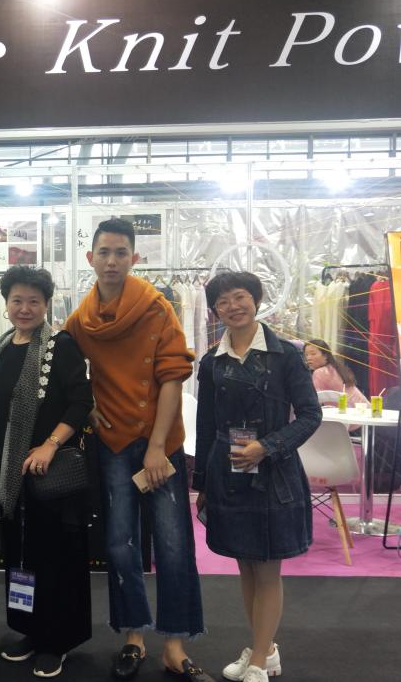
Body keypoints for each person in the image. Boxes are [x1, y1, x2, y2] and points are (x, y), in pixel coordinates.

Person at [64, 218, 213, 682]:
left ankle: (174, 644)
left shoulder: (156, 308)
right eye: (104, 252)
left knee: (172, 543)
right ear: (90, 258)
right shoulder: (82, 318)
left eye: (121, 253)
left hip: (159, 443)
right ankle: (133, 636)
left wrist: (157, 446)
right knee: (119, 544)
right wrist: (89, 411)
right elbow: (69, 371)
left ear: (135, 258)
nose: (112, 261)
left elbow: (172, 377)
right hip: (113, 444)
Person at [194, 272, 322, 682]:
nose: (233, 306)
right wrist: (201, 482)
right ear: (215, 311)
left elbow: (310, 415)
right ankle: (265, 651)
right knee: (246, 566)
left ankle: (258, 661)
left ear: (256, 299)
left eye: (240, 297)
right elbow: (205, 423)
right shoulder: (212, 361)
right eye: (223, 302)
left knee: (267, 570)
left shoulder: (286, 355)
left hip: (272, 473)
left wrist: (267, 446)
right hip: (227, 471)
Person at [0, 266, 94, 678]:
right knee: (20, 556)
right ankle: (30, 629)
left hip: (47, 476)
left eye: (33, 301)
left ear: (46, 304)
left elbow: (81, 402)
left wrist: (50, 443)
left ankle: (56, 640)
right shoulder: (0, 346)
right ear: (6, 303)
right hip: (9, 477)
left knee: (54, 557)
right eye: (17, 300)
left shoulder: (60, 346)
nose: (24, 308)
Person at [303, 338, 368, 406]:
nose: (308, 358)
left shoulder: (320, 372)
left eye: (313, 354)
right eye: (306, 355)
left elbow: (313, 399)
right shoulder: (336, 367)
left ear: (325, 355)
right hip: (363, 407)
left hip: (348, 409)